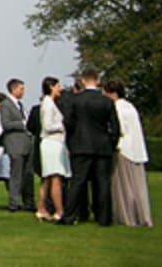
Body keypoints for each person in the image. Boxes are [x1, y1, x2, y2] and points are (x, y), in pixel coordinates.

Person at [57, 66, 119, 226]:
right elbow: (115, 127)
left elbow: (68, 123)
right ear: (98, 81)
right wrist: (110, 143)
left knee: (77, 182)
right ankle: (104, 218)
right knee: (103, 183)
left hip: (81, 145)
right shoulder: (106, 101)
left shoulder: (75, 100)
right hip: (102, 146)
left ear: (82, 81)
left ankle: (69, 216)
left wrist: (71, 142)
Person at [103, 78, 152, 227]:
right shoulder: (130, 107)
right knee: (138, 187)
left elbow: (121, 130)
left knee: (124, 187)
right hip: (137, 149)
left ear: (113, 94)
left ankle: (127, 217)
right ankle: (142, 216)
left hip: (124, 149)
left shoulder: (117, 108)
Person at [0, 78, 36, 212]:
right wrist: (23, 124)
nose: (23, 91)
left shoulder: (21, 105)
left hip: (27, 142)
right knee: (16, 175)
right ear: (13, 89)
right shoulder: (6, 105)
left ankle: (29, 202)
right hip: (15, 143)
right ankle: (13, 203)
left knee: (28, 175)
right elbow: (6, 124)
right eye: (21, 89)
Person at [36, 76, 70, 221]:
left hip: (53, 143)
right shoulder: (48, 104)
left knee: (48, 179)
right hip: (52, 143)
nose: (59, 89)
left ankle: (41, 209)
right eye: (57, 86)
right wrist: (62, 126)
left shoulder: (49, 103)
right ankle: (59, 211)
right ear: (51, 87)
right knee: (55, 177)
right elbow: (48, 126)